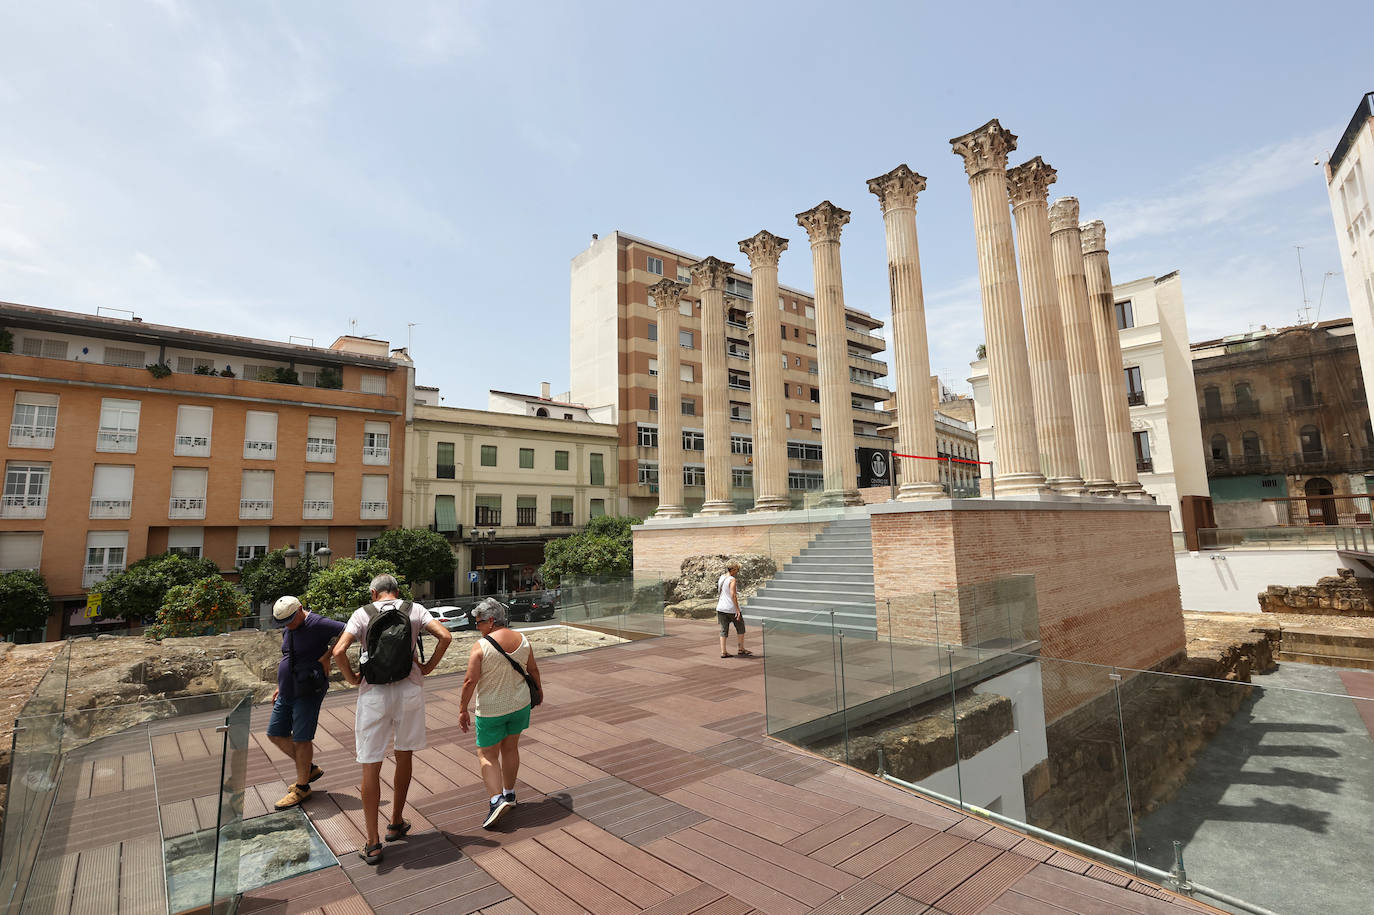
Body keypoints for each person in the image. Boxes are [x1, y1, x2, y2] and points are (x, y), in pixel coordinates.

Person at [333, 574, 452, 865]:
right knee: (404, 755)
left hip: (373, 694)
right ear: (398, 591)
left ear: (374, 593)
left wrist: (351, 678)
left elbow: (338, 651)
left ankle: (372, 843)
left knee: (370, 765)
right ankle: (396, 821)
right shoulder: (414, 609)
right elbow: (445, 636)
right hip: (409, 690)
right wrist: (427, 667)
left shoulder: (362, 613)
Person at [459, 597, 542, 830]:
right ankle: (510, 793)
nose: (477, 627)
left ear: (491, 620)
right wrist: (540, 691)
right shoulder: (523, 638)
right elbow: (533, 669)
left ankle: (496, 800)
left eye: (479, 622)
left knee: (486, 754)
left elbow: (469, 681)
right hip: (519, 705)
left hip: (492, 710)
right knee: (510, 748)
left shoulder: (481, 646)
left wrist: (462, 709)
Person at [267, 595, 345, 811]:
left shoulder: (317, 623)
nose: (288, 625)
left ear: (301, 609)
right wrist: (280, 684)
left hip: (308, 689)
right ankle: (308, 768)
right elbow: (288, 655)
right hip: (287, 688)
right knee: (275, 732)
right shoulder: (289, 627)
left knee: (302, 739)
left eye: (291, 619)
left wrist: (328, 655)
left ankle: (302, 787)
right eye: (283, 622)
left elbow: (348, 630)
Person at [717, 561, 752, 659]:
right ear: (732, 569)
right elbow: (733, 595)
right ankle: (741, 649)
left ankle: (723, 651)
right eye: (737, 570)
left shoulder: (721, 577)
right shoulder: (732, 579)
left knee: (724, 630)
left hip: (721, 607)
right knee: (740, 627)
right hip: (731, 608)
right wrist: (737, 609)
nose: (737, 572)